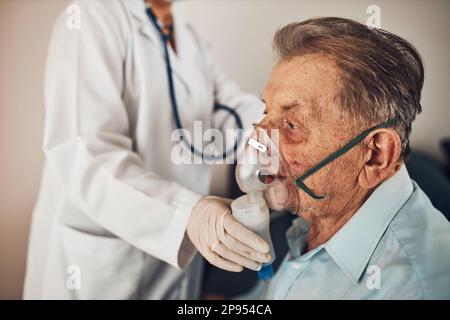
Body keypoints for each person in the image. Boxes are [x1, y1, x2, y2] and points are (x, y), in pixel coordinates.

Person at [23, 0, 270, 299]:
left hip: (175, 258)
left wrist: (277, 123)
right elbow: (85, 152)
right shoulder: (91, 18)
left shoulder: (190, 39)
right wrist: (185, 214)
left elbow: (225, 113)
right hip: (102, 262)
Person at [254, 17, 450, 299]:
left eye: (291, 125)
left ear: (375, 156)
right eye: (265, 114)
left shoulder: (413, 288)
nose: (261, 143)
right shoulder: (322, 214)